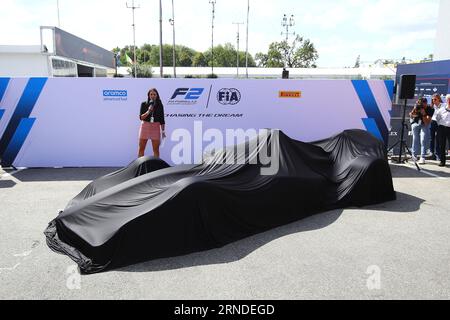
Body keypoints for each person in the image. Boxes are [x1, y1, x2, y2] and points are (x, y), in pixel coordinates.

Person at [138, 88, 166, 158]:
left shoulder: (160, 105)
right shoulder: (144, 104)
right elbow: (141, 117)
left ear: (157, 95)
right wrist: (148, 111)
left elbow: (162, 119)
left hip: (155, 127)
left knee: (156, 150)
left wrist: (163, 131)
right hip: (145, 127)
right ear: (148, 95)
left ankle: (156, 168)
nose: (153, 96)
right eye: (151, 94)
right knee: (141, 148)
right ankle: (141, 167)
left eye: (154, 94)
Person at [409, 97, 434, 164]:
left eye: (423, 104)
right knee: (415, 139)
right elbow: (411, 115)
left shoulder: (430, 109)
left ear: (426, 103)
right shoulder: (417, 106)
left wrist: (424, 114)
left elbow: (427, 122)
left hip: (425, 124)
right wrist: (414, 111)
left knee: (423, 139)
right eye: (421, 104)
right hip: (415, 123)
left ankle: (422, 157)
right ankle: (414, 156)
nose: (422, 106)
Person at [435, 94, 450, 167]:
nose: (449, 101)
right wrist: (440, 125)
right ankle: (442, 161)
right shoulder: (442, 109)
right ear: (446, 100)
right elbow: (437, 118)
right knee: (442, 145)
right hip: (442, 128)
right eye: (448, 99)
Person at [430, 94, 444, 161]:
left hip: (440, 123)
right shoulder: (432, 106)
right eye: (432, 100)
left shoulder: (443, 105)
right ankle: (432, 153)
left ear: (439, 99)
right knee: (431, 138)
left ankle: (438, 154)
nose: (433, 101)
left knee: (438, 139)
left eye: (435, 99)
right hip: (433, 122)